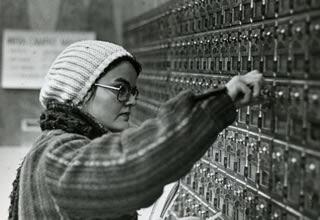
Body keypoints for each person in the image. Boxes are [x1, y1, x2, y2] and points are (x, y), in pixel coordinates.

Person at [9, 40, 264, 220]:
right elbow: (131, 168)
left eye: (133, 91)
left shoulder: (55, 146)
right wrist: (222, 101)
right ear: (80, 91)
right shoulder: (56, 155)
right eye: (121, 89)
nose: (131, 100)